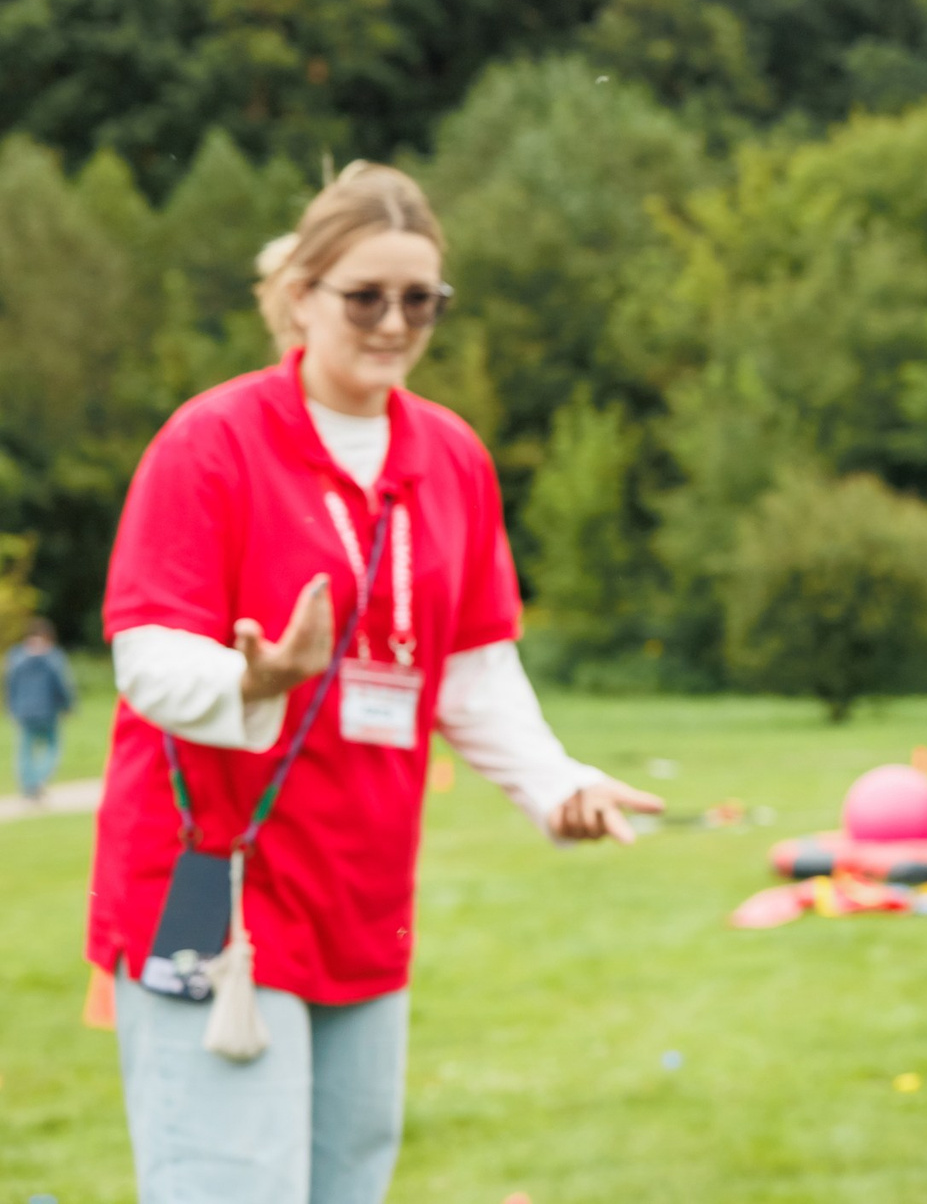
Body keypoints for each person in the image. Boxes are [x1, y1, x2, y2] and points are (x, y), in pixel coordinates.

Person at [87, 162, 664, 1204]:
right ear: (299, 294)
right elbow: (146, 654)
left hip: (361, 897)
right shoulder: (209, 442)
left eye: (421, 300)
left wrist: (553, 784)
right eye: (366, 296)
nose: (394, 323)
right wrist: (252, 680)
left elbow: (475, 669)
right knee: (230, 1186)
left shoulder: (452, 459)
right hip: (210, 891)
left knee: (348, 1184)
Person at [8, 615, 77, 798]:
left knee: (25, 749)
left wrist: (11, 708)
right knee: (52, 747)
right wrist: (68, 705)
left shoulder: (16, 656)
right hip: (48, 710)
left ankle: (28, 783)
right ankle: (38, 780)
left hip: (23, 710)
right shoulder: (53, 657)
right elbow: (62, 684)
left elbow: (10, 685)